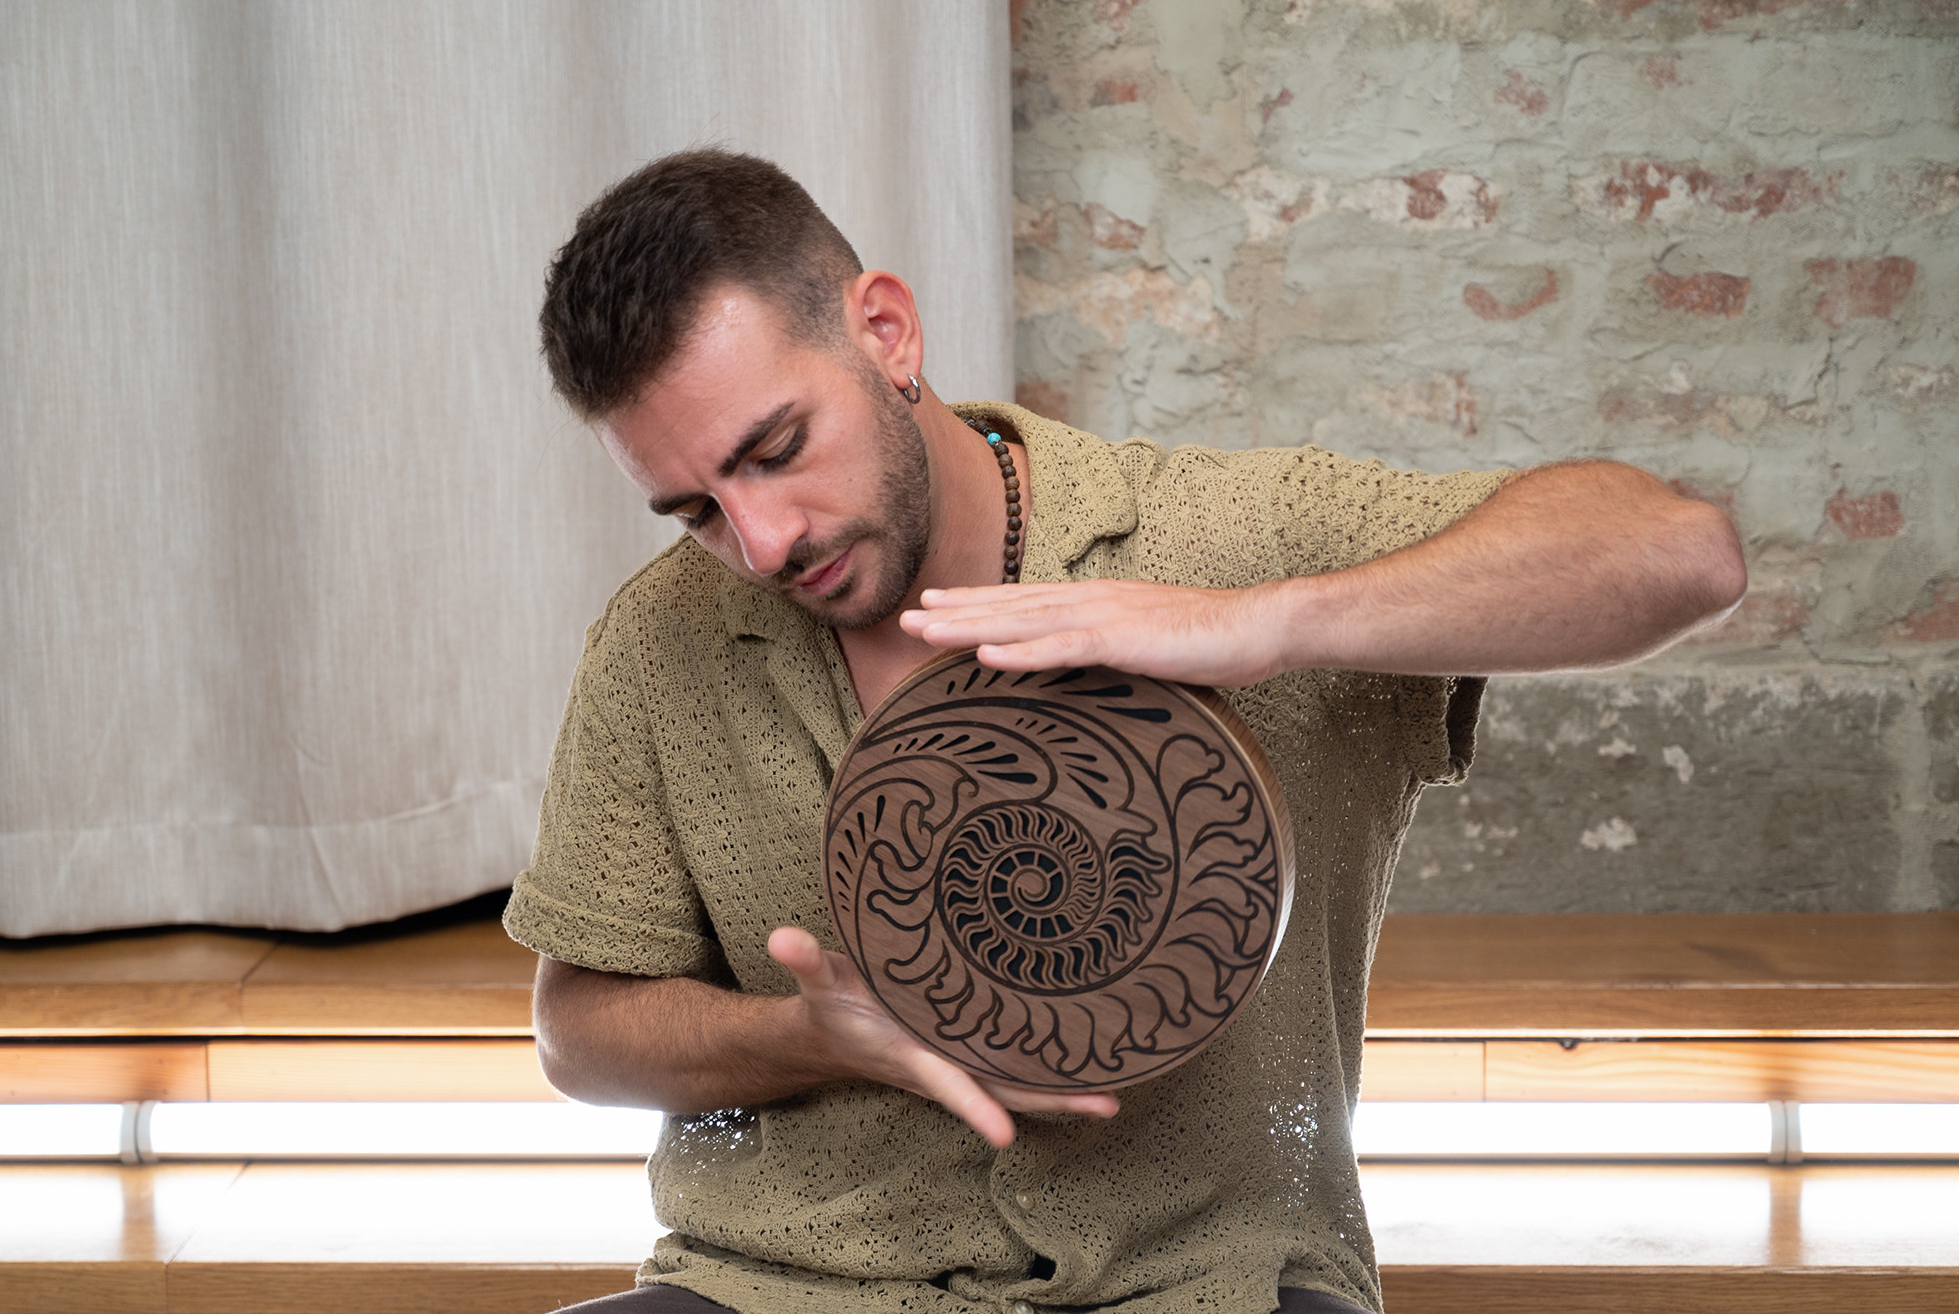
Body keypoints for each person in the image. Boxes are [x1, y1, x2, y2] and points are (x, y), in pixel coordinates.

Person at [503, 149, 1746, 1314]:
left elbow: (1676, 554)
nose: (763, 542)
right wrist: (803, 1038)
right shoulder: (659, 640)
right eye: (695, 511)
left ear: (885, 332)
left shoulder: (1222, 539)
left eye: (777, 450)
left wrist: (1262, 624)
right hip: (777, 1288)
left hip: (1215, 1285)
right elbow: (578, 1032)